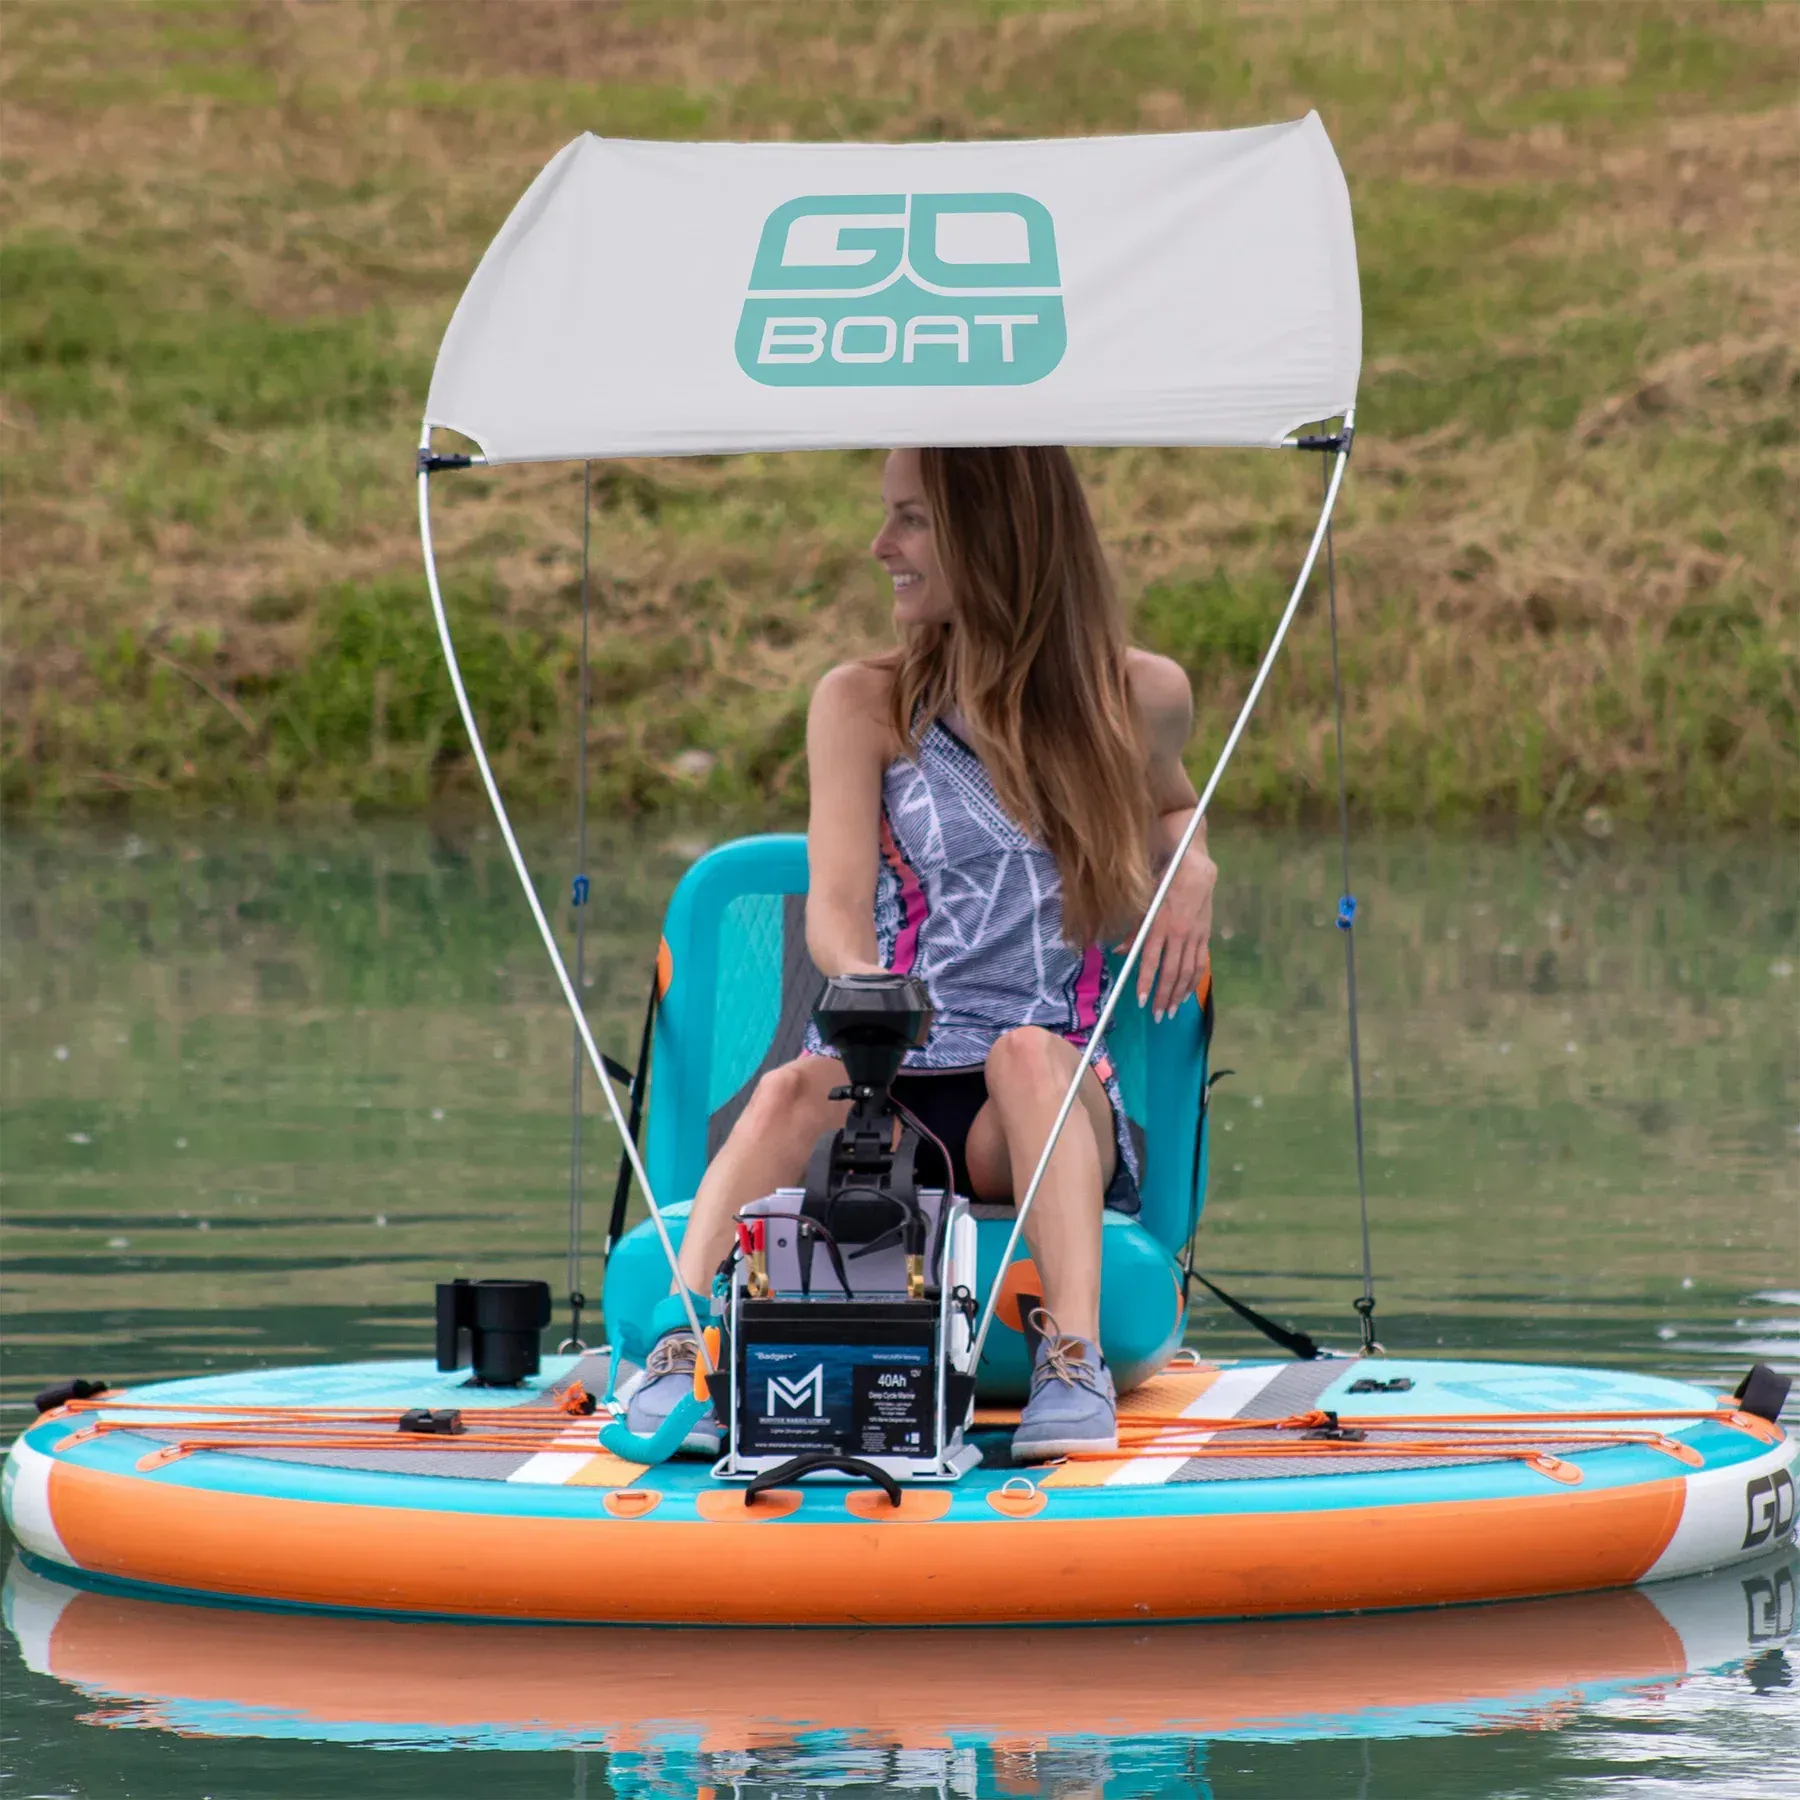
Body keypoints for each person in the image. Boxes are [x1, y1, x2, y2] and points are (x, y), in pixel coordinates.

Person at [626, 445, 1216, 1460]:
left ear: (993, 538)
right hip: (887, 1080)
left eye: (911, 520)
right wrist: (864, 992)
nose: (880, 545)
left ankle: (1070, 1366)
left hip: (1031, 1104)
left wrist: (1193, 861)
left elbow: (1170, 805)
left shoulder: (1138, 696)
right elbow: (838, 905)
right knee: (783, 1094)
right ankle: (679, 1345)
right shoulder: (862, 703)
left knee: (1028, 1053)